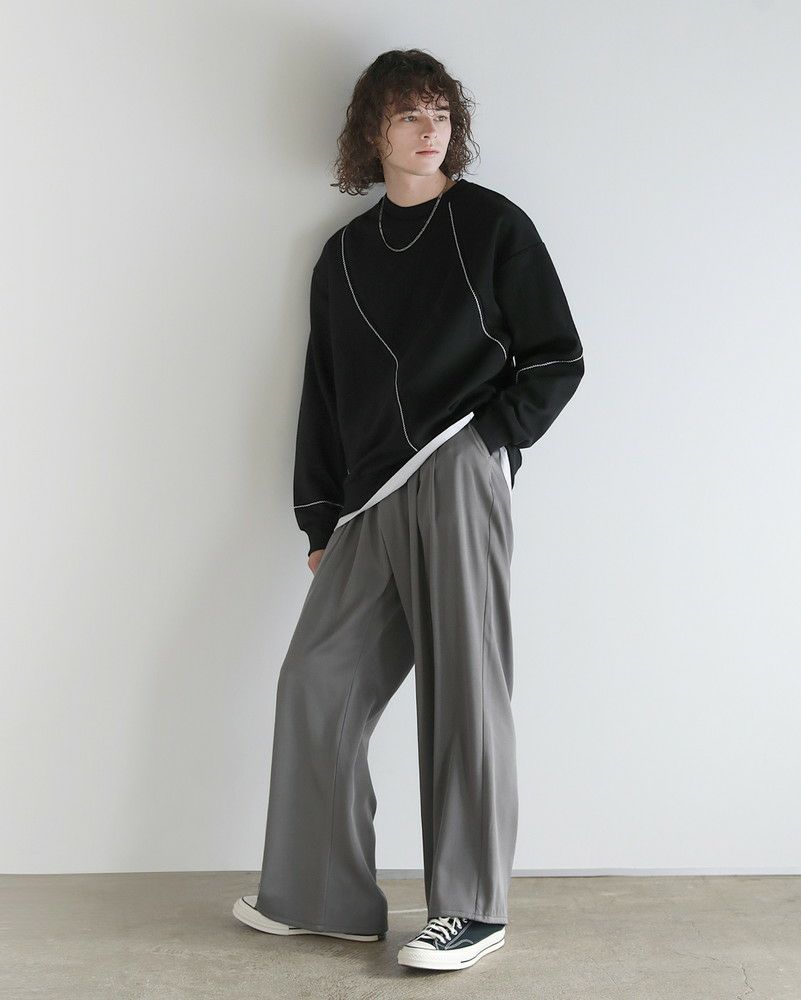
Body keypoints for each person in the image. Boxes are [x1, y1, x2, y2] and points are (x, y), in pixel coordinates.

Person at [232, 48, 585, 972]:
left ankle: (469, 909)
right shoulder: (344, 257)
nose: (430, 130)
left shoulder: (493, 225)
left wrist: (484, 442)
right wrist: (320, 518)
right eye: (408, 115)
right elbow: (324, 392)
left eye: (440, 114)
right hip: (367, 502)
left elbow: (556, 356)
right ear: (372, 133)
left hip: (458, 473)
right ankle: (324, 898)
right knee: (315, 682)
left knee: (463, 692)